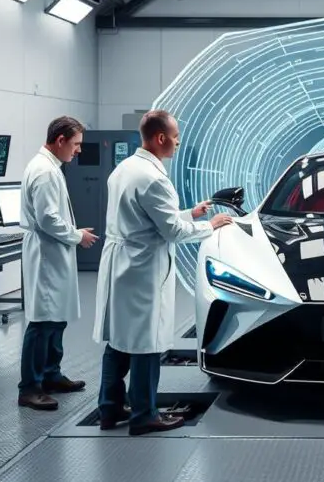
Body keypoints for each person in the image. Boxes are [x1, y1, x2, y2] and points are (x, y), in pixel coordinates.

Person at [93, 109, 233, 436]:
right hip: (143, 268)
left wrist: (190, 212)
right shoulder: (155, 178)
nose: (178, 141)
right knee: (147, 343)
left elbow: (146, 217)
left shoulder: (125, 169)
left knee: (118, 341)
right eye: (175, 136)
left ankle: (109, 409)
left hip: (121, 263)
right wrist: (208, 225)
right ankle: (144, 414)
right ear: (160, 138)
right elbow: (171, 231)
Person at [18, 116, 100, 411]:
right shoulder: (44, 172)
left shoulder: (51, 167)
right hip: (46, 252)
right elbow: (48, 219)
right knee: (42, 323)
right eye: (76, 144)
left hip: (53, 251)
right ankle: (30, 388)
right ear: (60, 140)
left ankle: (51, 375)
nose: (79, 151)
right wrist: (77, 236)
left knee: (56, 318)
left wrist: (74, 236)